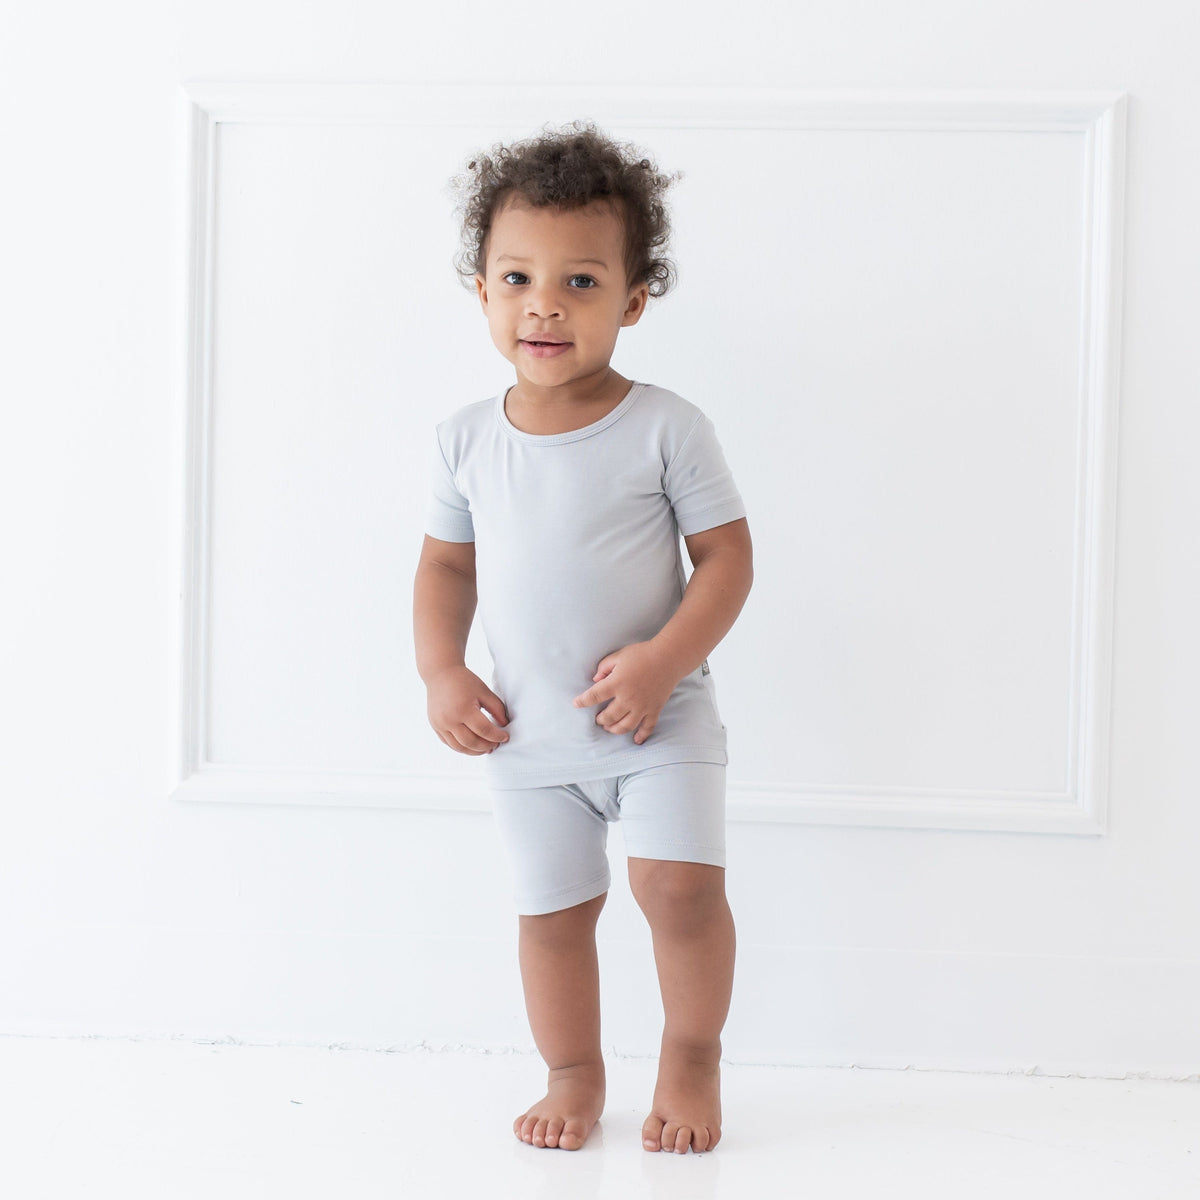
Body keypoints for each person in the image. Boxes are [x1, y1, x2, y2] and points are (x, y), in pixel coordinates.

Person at [412, 120, 754, 1155]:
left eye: (581, 282)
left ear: (634, 300)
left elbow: (728, 560)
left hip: (660, 716)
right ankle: (572, 1068)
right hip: (529, 732)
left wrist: (662, 660)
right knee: (553, 912)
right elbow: (446, 568)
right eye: (516, 277)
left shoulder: (666, 426)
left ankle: (692, 1053)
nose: (544, 304)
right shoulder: (464, 440)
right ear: (481, 290)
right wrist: (440, 671)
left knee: (679, 890)